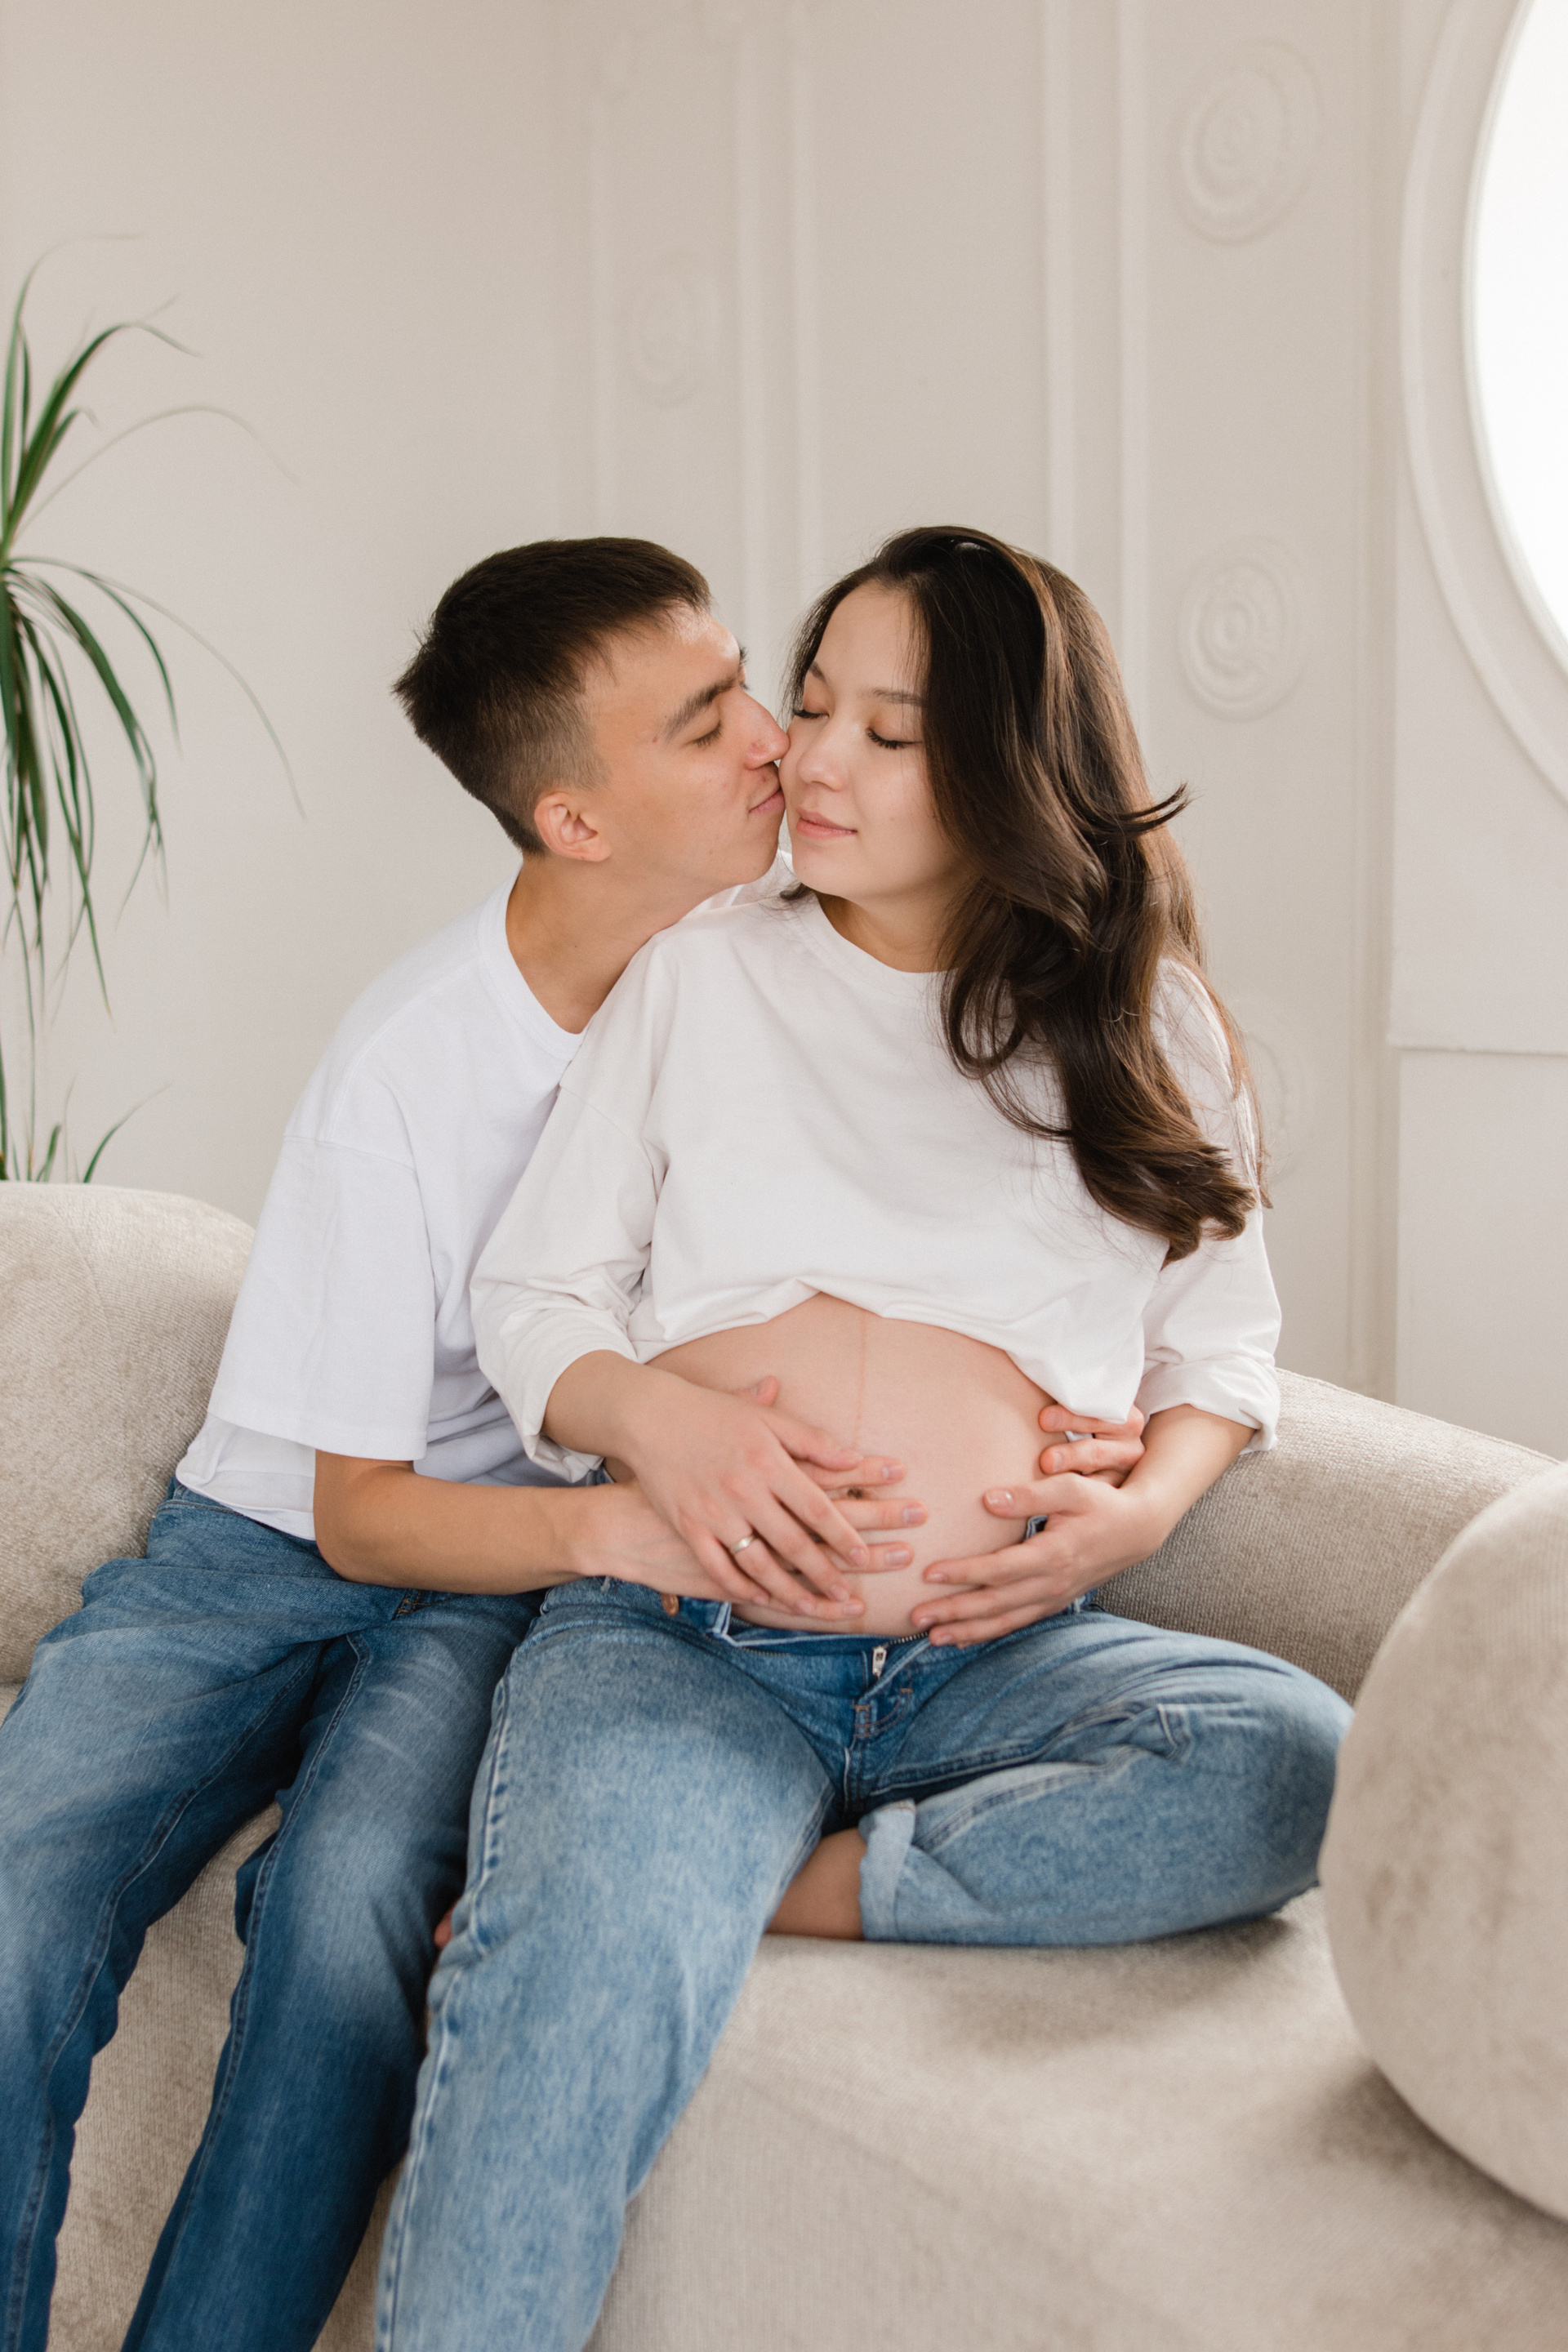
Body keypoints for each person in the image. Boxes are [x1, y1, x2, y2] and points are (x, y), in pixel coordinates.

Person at [5, 538, 1122, 2352]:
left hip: (508, 1585)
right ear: (576, 821)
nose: (776, 741)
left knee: (355, 1903)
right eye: (711, 720)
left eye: (755, 684)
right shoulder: (411, 1070)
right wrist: (636, 1518)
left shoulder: (785, 956)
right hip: (290, 1541)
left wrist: (1082, 1415)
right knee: (17, 1893)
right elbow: (360, 1518)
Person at [374, 526, 1354, 2352]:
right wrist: (663, 1429)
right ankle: (637, 1892)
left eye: (888, 734)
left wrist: (1136, 1518)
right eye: (812, 701)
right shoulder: (703, 974)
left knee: (1295, 1757)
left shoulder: (1139, 1020)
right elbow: (538, 1299)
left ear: (1008, 768)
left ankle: (790, 1884)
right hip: (690, 1643)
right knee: (556, 2026)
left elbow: (1224, 1351)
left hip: (987, 1657)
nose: (810, 757)